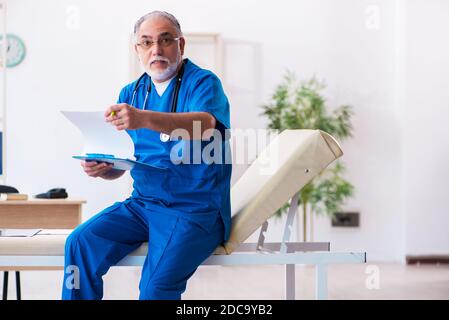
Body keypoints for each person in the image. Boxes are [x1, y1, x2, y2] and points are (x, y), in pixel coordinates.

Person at [62, 11, 231, 300]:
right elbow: (126, 160)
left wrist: (144, 119)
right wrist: (106, 168)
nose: (157, 49)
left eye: (166, 40)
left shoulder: (203, 83)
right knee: (80, 242)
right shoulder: (131, 93)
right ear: (136, 49)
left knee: (155, 287)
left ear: (181, 45)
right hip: (142, 205)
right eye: (147, 42)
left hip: (193, 210)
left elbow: (205, 125)